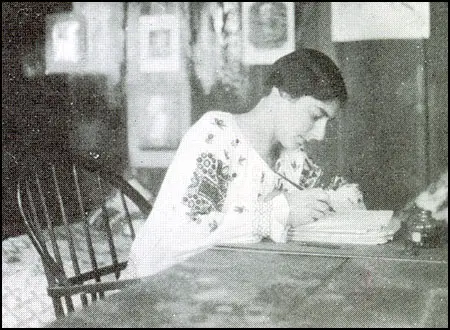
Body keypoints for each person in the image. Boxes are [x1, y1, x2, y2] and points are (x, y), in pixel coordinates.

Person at [125, 48, 365, 279]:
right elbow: (186, 235)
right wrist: (277, 212)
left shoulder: (292, 155)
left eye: (327, 122)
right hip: (159, 284)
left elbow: (332, 188)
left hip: (223, 283)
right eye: (315, 116)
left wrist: (340, 197)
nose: (320, 134)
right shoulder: (215, 134)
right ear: (282, 93)